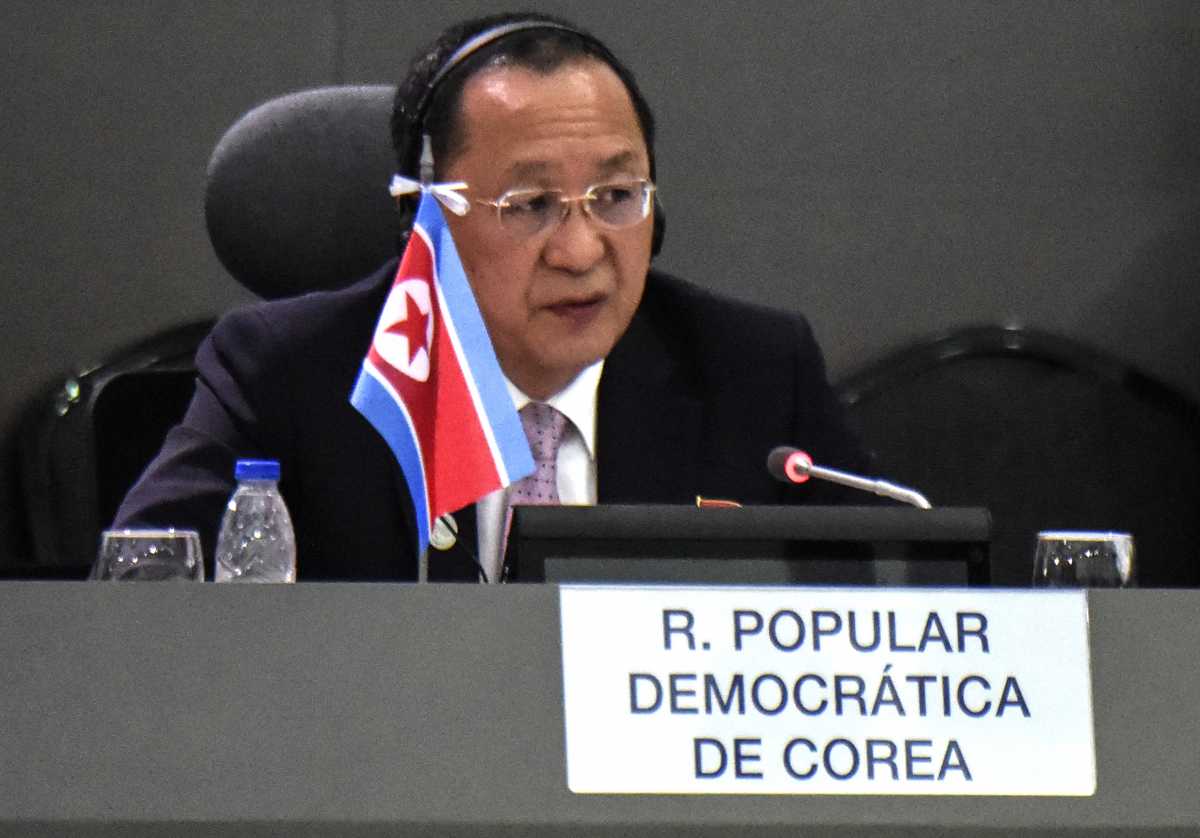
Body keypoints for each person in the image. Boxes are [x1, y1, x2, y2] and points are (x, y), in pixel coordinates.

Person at [112, 12, 869, 581]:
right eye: (530, 205)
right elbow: (131, 609)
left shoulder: (756, 372)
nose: (581, 252)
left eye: (616, 195)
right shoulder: (287, 374)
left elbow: (889, 625)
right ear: (427, 219)